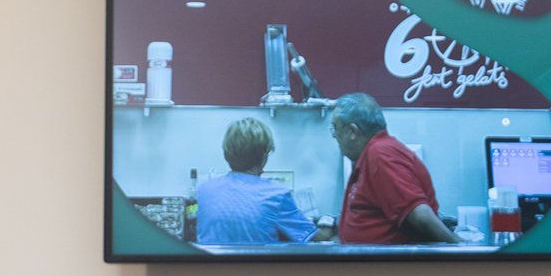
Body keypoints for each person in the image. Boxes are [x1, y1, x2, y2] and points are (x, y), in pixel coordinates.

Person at [329, 93, 459, 245]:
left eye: (335, 128)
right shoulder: (370, 155)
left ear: (352, 131)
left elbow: (420, 216)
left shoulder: (381, 155)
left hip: (386, 260)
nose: (334, 136)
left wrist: (461, 249)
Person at [195, 117, 327, 245]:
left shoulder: (204, 190)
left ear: (226, 154)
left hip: (209, 261)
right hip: (256, 261)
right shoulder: (276, 195)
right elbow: (314, 237)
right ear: (264, 156)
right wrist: (328, 222)